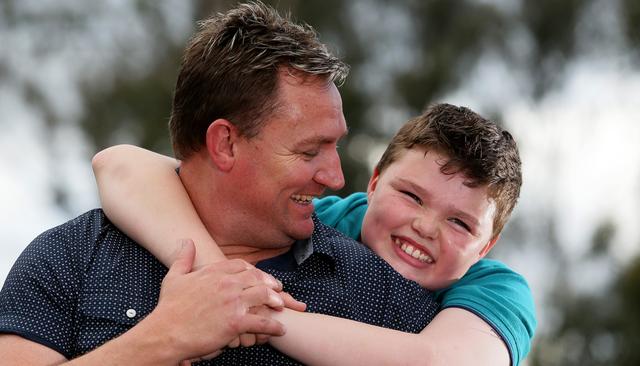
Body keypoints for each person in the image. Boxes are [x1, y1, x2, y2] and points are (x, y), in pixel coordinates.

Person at [0, 2, 470, 365]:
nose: (335, 177)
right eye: (309, 151)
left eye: (334, 147)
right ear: (225, 144)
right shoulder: (74, 255)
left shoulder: (377, 291)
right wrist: (162, 339)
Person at [94, 103, 536, 365]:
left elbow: (437, 362)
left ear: (487, 245)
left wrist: (254, 314)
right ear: (376, 183)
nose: (425, 227)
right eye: (412, 196)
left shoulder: (497, 290)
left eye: (460, 222)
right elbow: (119, 165)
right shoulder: (321, 219)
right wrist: (225, 284)